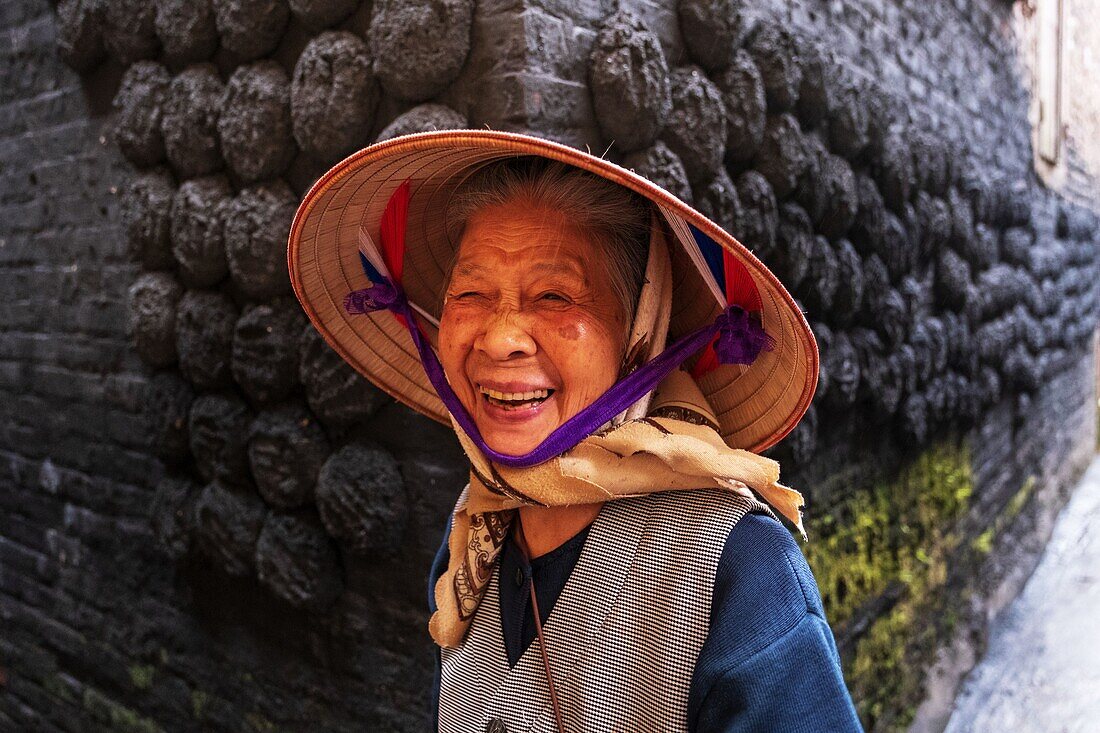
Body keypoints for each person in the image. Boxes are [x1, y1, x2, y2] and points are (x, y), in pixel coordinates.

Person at [288, 130, 863, 732]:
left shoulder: (737, 563)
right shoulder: (474, 536)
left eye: (555, 295)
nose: (501, 337)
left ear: (639, 333)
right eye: (473, 292)